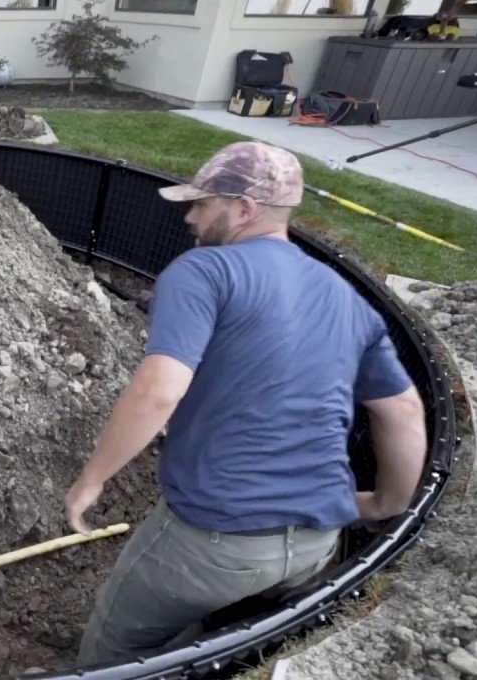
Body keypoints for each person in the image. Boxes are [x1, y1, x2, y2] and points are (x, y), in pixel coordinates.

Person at [64, 141, 427, 667]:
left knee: (116, 650)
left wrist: (92, 478)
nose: (189, 217)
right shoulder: (345, 297)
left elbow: (159, 389)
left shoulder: (203, 272)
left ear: (244, 209)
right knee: (235, 641)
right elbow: (403, 411)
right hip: (317, 544)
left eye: (201, 204)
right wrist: (387, 504)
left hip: (212, 540)